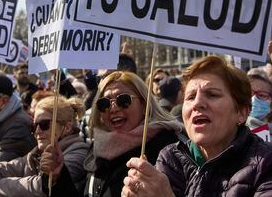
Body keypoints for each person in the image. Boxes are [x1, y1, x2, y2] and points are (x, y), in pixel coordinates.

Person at [122, 56, 272, 196]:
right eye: (190, 97)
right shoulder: (170, 159)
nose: (197, 104)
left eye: (212, 94)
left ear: (241, 112)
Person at [41, 71, 184, 196]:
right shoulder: (97, 147)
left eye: (123, 100)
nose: (113, 108)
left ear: (144, 104)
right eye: (105, 103)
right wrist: (57, 177)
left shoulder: (168, 148)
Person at [0, 95, 90, 196]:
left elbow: (45, 185)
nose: (37, 131)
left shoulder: (79, 153)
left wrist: (2, 187)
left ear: (67, 127)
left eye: (44, 124)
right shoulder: (33, 156)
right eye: (34, 125)